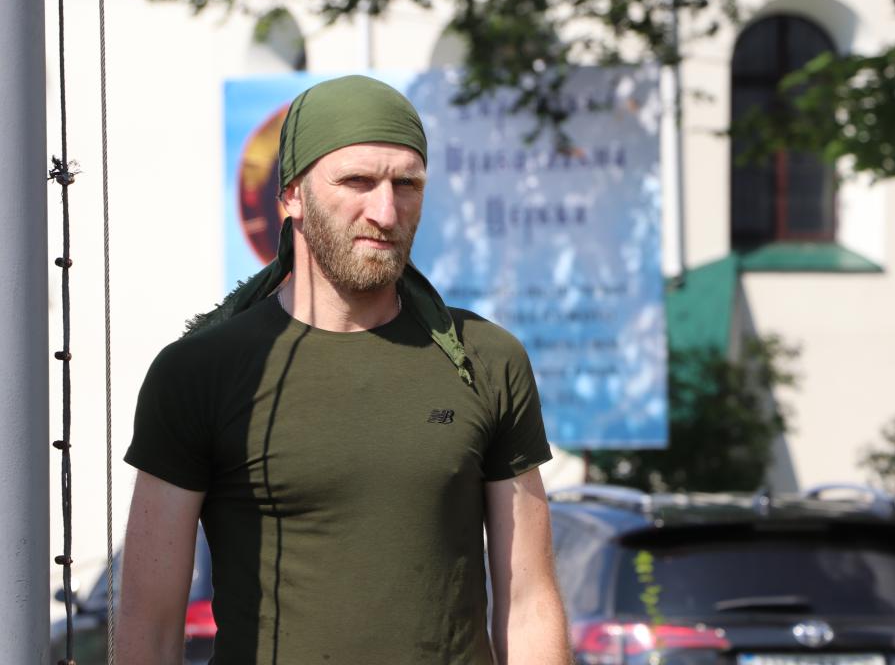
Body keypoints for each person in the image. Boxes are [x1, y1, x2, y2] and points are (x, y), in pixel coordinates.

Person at [116, 75, 570, 665]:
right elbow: (149, 627)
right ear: (292, 196)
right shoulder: (200, 372)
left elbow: (528, 604)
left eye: (407, 184)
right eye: (357, 181)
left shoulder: (484, 359)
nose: (385, 211)